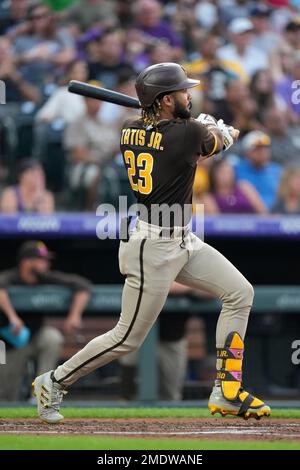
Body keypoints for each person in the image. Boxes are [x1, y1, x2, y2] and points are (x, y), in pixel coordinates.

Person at [32, 62, 270, 423]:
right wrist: (219, 131)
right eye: (182, 91)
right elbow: (214, 141)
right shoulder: (186, 133)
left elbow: (187, 143)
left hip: (182, 239)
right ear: (166, 100)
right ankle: (54, 381)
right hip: (152, 247)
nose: (189, 95)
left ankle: (227, 389)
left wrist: (202, 129)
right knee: (126, 338)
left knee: (240, 293)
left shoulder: (130, 129)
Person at [0, 240, 91, 401]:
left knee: (51, 337)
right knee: (6, 397)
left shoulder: (45, 278)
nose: (46, 264)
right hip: (9, 343)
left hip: (35, 336)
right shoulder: (11, 277)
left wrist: (74, 315)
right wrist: (12, 316)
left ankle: (41, 394)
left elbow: (82, 285)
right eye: (42, 260)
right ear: (27, 262)